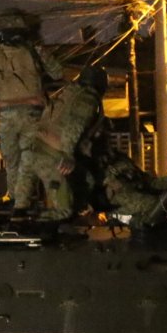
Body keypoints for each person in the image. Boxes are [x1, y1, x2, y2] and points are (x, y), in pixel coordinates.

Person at [0, 10, 66, 212]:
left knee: (12, 161)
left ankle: (15, 201)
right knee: (30, 160)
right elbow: (57, 72)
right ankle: (27, 204)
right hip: (31, 113)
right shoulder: (34, 50)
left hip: (6, 115)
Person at [23, 65, 107, 221]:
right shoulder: (87, 100)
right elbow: (73, 127)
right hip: (52, 158)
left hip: (39, 151)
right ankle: (39, 226)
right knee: (63, 211)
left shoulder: (70, 93)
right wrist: (68, 155)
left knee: (86, 179)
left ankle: (70, 215)